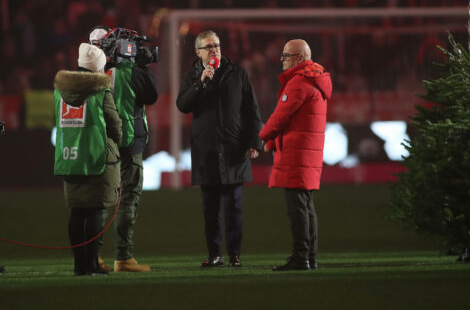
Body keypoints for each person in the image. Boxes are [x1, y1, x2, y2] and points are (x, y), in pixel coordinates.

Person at [176, 30, 263, 268]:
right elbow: (182, 105)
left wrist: (255, 141)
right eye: (208, 47)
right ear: (198, 52)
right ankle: (215, 255)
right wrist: (201, 82)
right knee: (210, 209)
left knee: (234, 207)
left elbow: (251, 110)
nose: (214, 49)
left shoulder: (238, 73)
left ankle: (234, 255)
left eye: (216, 45)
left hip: (234, 149)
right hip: (207, 152)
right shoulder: (193, 76)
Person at [89, 26, 159, 273]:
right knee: (128, 198)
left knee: (99, 202)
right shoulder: (132, 71)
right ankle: (123, 257)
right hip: (130, 141)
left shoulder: (89, 71)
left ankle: (92, 258)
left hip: (100, 143)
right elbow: (152, 95)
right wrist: (143, 64)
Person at [259, 39, 332, 271]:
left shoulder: (299, 83)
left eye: (287, 55)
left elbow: (280, 117)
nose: (282, 59)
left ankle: (301, 257)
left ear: (300, 58)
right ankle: (310, 256)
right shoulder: (316, 81)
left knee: (298, 209)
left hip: (296, 154)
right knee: (307, 207)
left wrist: (262, 137)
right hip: (307, 154)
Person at [53, 43, 122, 276]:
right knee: (95, 211)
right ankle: (91, 264)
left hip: (69, 157)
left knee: (76, 211)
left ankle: (78, 265)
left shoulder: (59, 91)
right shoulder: (101, 91)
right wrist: (117, 142)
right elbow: (115, 125)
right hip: (96, 157)